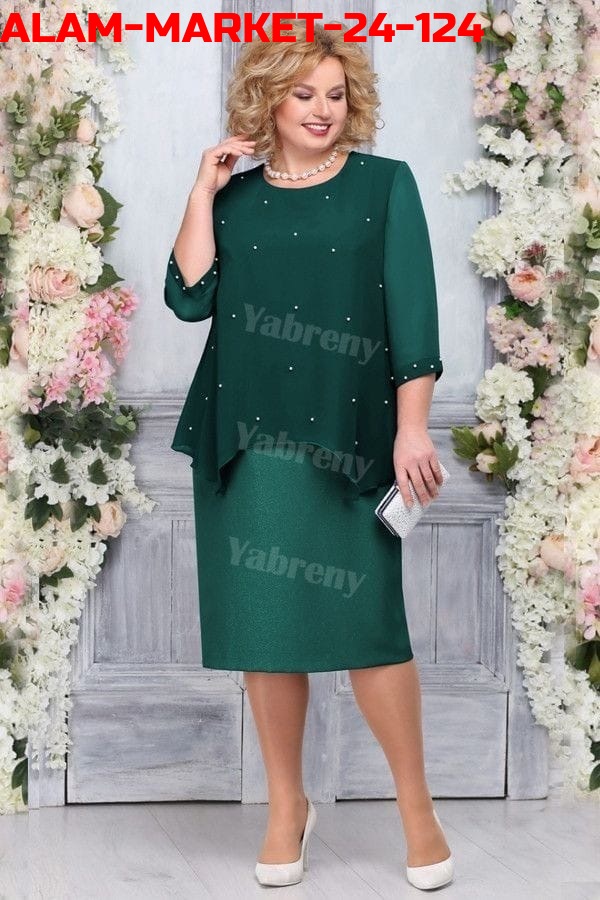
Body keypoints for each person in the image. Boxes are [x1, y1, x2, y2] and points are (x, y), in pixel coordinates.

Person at [164, 20, 454, 891]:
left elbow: (415, 316)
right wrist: (202, 190)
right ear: (269, 98)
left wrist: (412, 427)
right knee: (269, 635)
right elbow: (188, 298)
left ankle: (418, 811)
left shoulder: (384, 185)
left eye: (335, 93)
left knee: (372, 633)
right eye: (303, 93)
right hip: (247, 440)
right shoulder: (237, 197)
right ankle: (286, 806)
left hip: (353, 438)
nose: (322, 109)